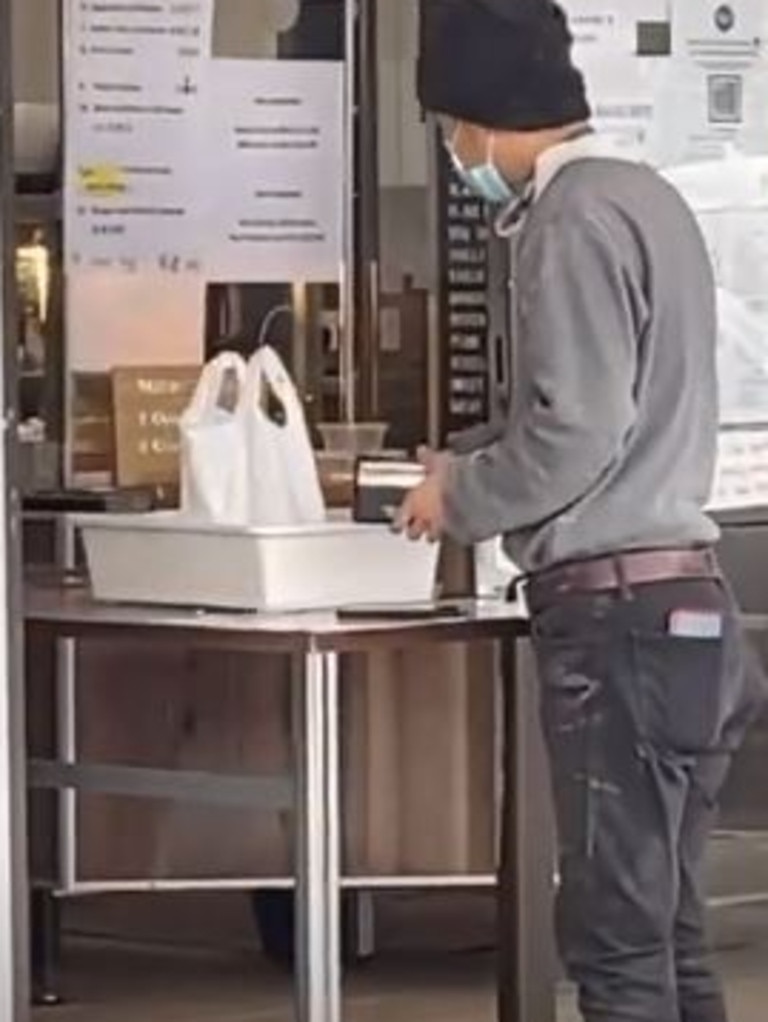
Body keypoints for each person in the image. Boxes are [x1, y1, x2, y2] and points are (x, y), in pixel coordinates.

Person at [400, 2, 766, 1021]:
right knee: (670, 930)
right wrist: (477, 448)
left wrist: (457, 495)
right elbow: (612, 404)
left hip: (617, 628)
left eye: (446, 127)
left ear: (479, 117)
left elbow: (575, 436)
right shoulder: (648, 199)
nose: (451, 153)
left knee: (613, 943)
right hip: (692, 611)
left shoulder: (566, 221)